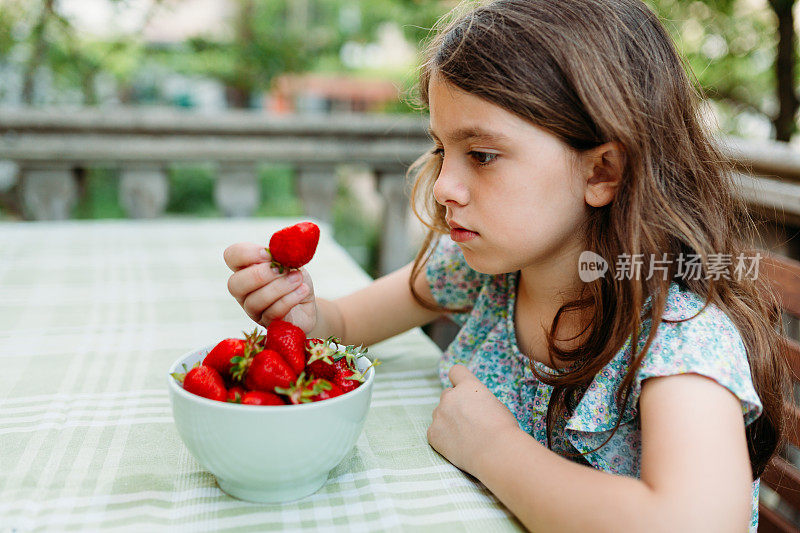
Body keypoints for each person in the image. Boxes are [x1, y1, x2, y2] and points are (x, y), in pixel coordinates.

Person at [223, 0, 789, 530]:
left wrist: (494, 450)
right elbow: (344, 326)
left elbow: (695, 522)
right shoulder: (489, 267)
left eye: (483, 155)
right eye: (442, 149)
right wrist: (299, 311)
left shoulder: (675, 339)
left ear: (602, 173)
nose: (444, 186)